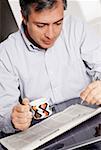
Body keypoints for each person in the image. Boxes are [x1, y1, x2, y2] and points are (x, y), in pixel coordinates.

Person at [0, 0, 101, 137]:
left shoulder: (77, 28)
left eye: (58, 23)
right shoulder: (6, 53)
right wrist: (14, 119)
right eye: (41, 25)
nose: (51, 34)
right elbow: (4, 115)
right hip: (44, 137)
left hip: (91, 126)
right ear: (24, 17)